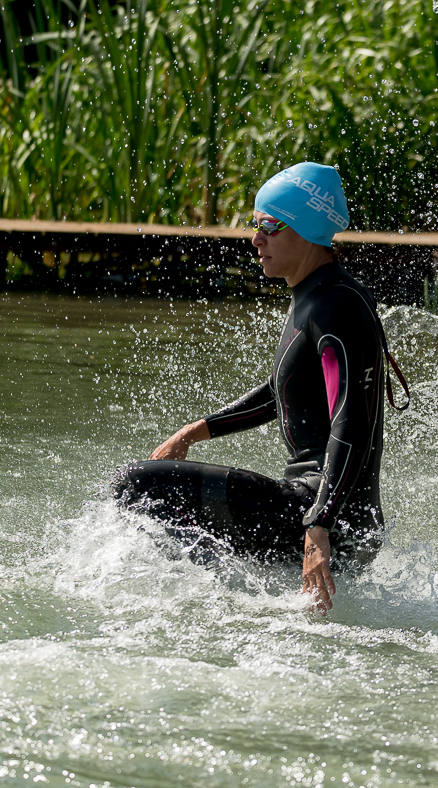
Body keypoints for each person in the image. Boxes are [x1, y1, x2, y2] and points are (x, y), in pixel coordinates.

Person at [112, 162, 397, 613]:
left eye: (269, 225)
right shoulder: (319, 294)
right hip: (326, 512)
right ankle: (224, 598)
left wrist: (319, 523)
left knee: (135, 485)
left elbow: (352, 420)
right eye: (255, 223)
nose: (255, 238)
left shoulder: (335, 308)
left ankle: (196, 604)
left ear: (305, 231)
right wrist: (195, 430)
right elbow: (282, 389)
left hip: (318, 513)